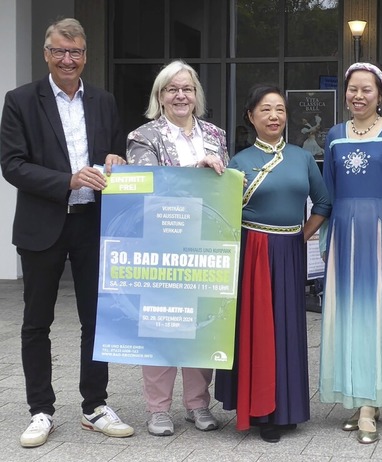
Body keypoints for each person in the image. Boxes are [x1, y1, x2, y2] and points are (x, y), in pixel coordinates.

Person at [0, 18, 134, 448]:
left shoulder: (104, 100)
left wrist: (116, 158)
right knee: (37, 322)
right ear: (46, 53)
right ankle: (41, 410)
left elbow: (115, 150)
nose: (67, 60)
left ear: (85, 55)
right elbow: (13, 165)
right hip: (43, 224)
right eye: (59, 51)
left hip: (93, 224)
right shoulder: (20, 100)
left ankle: (95, 405)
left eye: (75, 52)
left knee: (98, 320)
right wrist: (67, 180)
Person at [214, 84, 331, 443]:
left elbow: (324, 202)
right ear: (251, 116)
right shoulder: (239, 161)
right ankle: (262, 410)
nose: (274, 116)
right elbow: (224, 212)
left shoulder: (303, 157)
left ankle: (288, 408)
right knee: (258, 327)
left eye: (279, 109)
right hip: (253, 250)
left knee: (288, 328)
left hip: (290, 250)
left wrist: (301, 236)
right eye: (265, 109)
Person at [127, 60, 228, 436]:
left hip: (206, 246)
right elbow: (146, 188)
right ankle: (157, 409)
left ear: (196, 95)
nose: (180, 95)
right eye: (172, 89)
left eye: (187, 88)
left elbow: (223, 191)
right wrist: (194, 174)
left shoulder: (216, 135)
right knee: (161, 325)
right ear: (160, 96)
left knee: (202, 325)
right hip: (162, 247)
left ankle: (198, 404)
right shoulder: (143, 136)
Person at [318, 62, 382, 444]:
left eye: (367, 90)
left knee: (378, 315)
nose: (359, 96)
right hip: (344, 234)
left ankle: (372, 403)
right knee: (347, 316)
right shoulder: (334, 135)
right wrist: (325, 243)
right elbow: (327, 193)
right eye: (353, 89)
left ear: (381, 94)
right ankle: (357, 397)